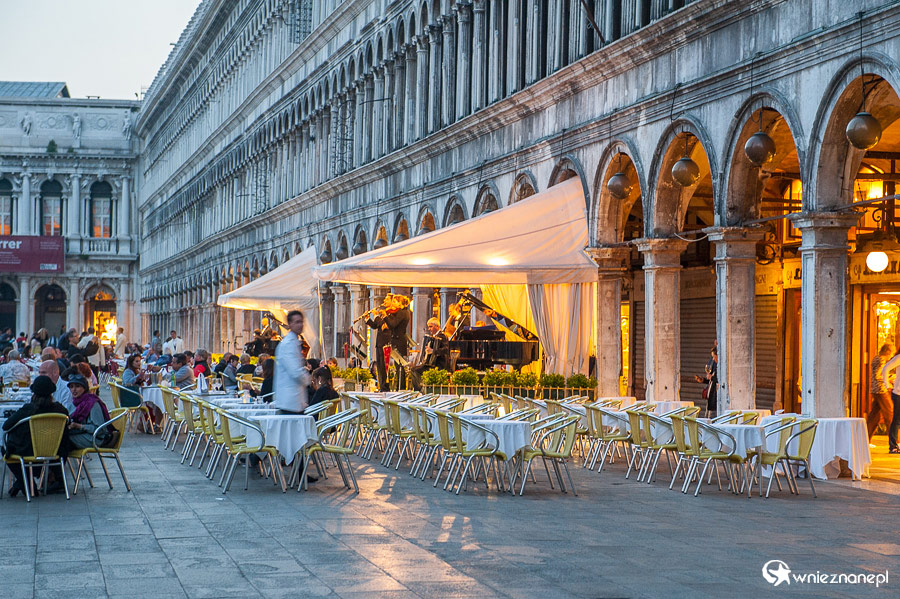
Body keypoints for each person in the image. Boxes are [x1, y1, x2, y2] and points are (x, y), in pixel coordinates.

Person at [2, 375, 70, 497]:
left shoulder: (28, 410)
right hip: (54, 451)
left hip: (27, 451)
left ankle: (25, 482)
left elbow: (6, 426)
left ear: (34, 393)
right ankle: (24, 482)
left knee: (5, 450)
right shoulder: (61, 410)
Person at [273, 310, 310, 414]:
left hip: (295, 399)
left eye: (301, 322)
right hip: (290, 401)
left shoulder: (294, 342)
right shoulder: (288, 344)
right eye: (297, 322)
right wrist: (308, 379)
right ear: (290, 324)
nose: (300, 325)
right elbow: (295, 371)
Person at [66, 374, 112, 449]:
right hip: (80, 434)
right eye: (71, 387)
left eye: (77, 386)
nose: (74, 389)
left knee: (62, 442)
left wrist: (79, 426)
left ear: (84, 388)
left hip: (95, 438)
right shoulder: (74, 403)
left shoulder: (92, 403)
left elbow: (100, 429)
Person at [410, 317, 450, 390]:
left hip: (439, 365)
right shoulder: (433, 337)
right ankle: (421, 388)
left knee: (415, 370)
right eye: (428, 327)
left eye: (431, 326)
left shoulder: (442, 336)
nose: (429, 329)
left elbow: (446, 350)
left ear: (437, 326)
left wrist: (433, 351)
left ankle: (420, 390)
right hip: (433, 364)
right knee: (414, 369)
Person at [366, 294, 394, 392]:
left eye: (387, 299)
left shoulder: (391, 315)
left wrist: (376, 316)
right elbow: (376, 325)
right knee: (379, 366)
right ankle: (381, 386)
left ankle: (385, 387)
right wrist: (367, 319)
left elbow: (384, 326)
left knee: (384, 366)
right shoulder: (385, 313)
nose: (384, 301)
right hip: (379, 343)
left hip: (385, 342)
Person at [880, 349, 900, 454]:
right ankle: (893, 446)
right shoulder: (899, 358)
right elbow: (885, 368)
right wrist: (887, 385)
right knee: (896, 419)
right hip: (898, 393)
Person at [694, 346, 718, 417]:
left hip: (715, 399)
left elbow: (719, 380)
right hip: (710, 399)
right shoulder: (714, 366)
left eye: (714, 357)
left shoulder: (720, 367)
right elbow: (711, 381)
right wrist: (703, 380)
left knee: (711, 418)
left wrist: (711, 377)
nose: (713, 359)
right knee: (707, 417)